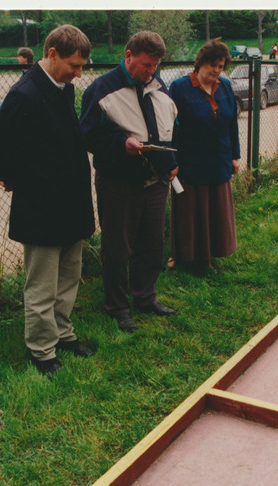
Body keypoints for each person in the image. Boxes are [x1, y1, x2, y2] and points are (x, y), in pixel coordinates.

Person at [0, 25, 95, 376]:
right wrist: (28, 185)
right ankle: (42, 351)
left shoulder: (62, 88)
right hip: (42, 210)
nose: (78, 74)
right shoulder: (24, 94)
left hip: (72, 205)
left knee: (68, 278)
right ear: (52, 54)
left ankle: (64, 335)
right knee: (41, 286)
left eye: (82, 66)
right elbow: (5, 158)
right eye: (74, 65)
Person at [80, 31, 179, 333]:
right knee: (117, 247)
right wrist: (121, 143)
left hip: (156, 181)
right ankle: (117, 307)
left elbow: (171, 126)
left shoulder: (158, 86)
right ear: (128, 56)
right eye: (146, 65)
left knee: (152, 243)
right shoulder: (101, 89)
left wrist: (172, 163)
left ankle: (146, 297)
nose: (150, 72)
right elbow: (88, 134)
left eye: (155, 66)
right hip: (119, 182)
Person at [168, 39, 241, 274]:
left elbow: (232, 125)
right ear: (200, 63)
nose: (217, 71)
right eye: (213, 65)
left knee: (215, 208)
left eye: (221, 66)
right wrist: (173, 161)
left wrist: (235, 156)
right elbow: (172, 127)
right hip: (190, 162)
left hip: (219, 159)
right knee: (191, 210)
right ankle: (184, 256)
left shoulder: (226, 87)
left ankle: (210, 254)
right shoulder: (180, 88)